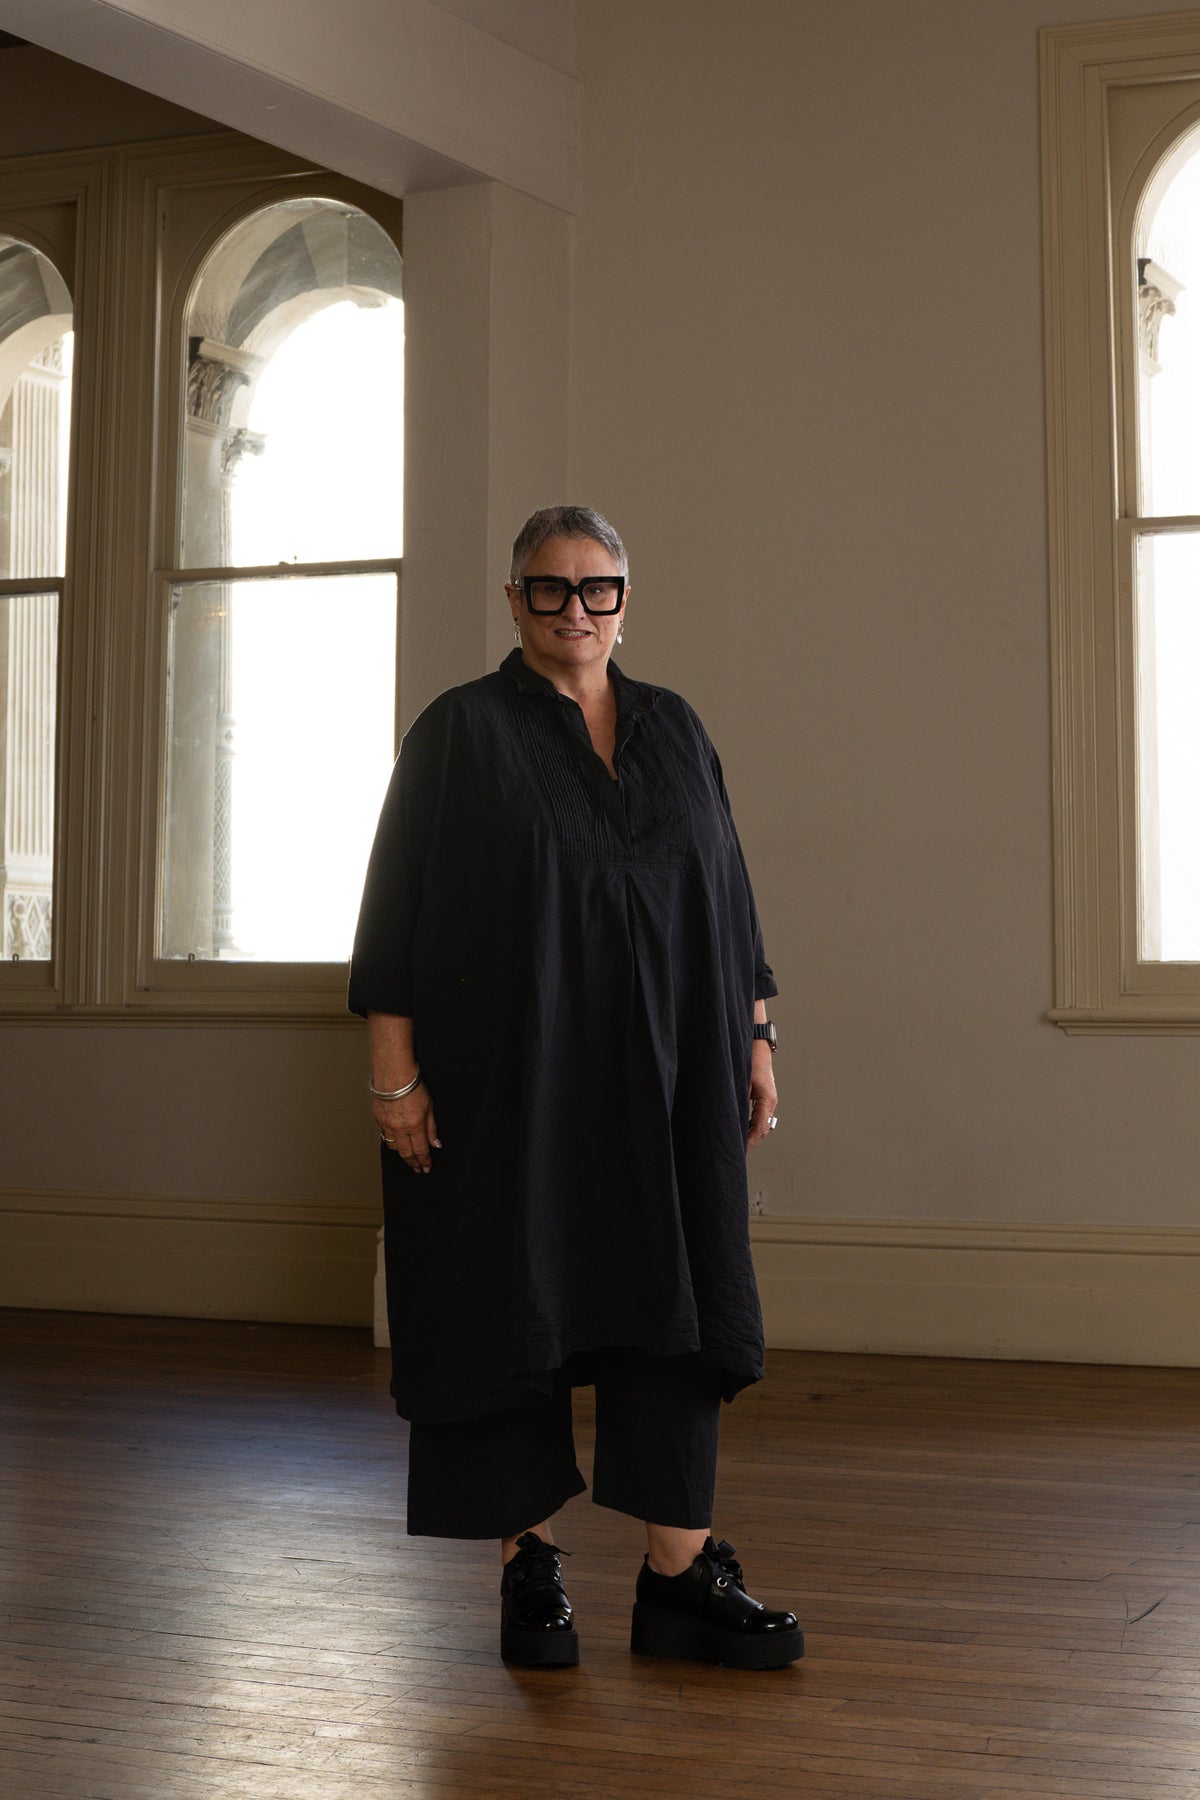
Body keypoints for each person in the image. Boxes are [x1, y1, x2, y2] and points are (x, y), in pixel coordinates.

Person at [349, 505, 803, 1671]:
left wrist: (755, 1035)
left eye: (597, 588)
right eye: (549, 588)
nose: (575, 610)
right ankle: (530, 1565)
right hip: (517, 1080)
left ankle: (679, 1576)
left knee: (679, 1298)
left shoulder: (674, 725)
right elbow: (395, 907)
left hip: (672, 1077)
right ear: (515, 600)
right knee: (517, 1294)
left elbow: (728, 890)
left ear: (624, 599)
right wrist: (394, 1078)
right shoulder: (461, 731)